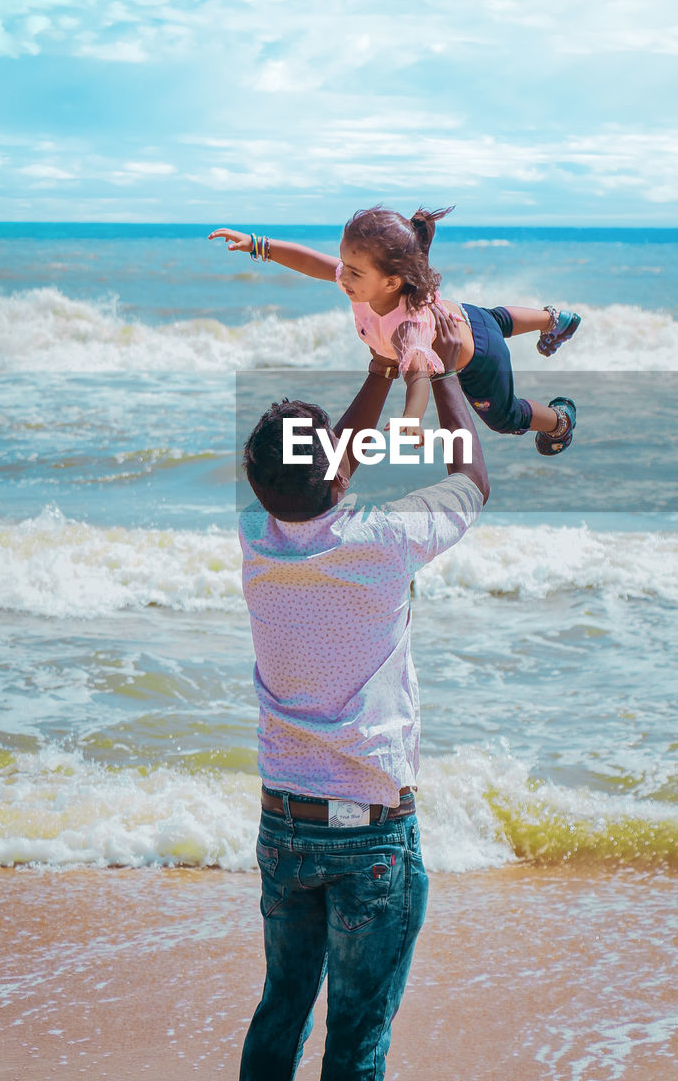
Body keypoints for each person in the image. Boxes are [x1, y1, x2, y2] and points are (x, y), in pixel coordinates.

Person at [237, 306, 489, 1081]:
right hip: (369, 832)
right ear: (336, 472)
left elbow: (325, 469)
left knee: (283, 1005)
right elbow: (471, 479)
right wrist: (442, 372)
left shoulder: (254, 536)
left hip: (283, 821)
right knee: (356, 1035)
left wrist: (383, 370)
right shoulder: (384, 541)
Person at [209, 205, 580, 456]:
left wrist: (411, 419)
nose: (343, 277)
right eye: (346, 265)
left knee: (505, 417)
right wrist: (259, 245)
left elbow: (419, 376)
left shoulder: (407, 328)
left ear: (391, 282)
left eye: (354, 272)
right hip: (467, 319)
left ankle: (559, 420)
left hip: (477, 362)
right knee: (495, 320)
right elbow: (311, 262)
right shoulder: (367, 282)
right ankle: (551, 319)